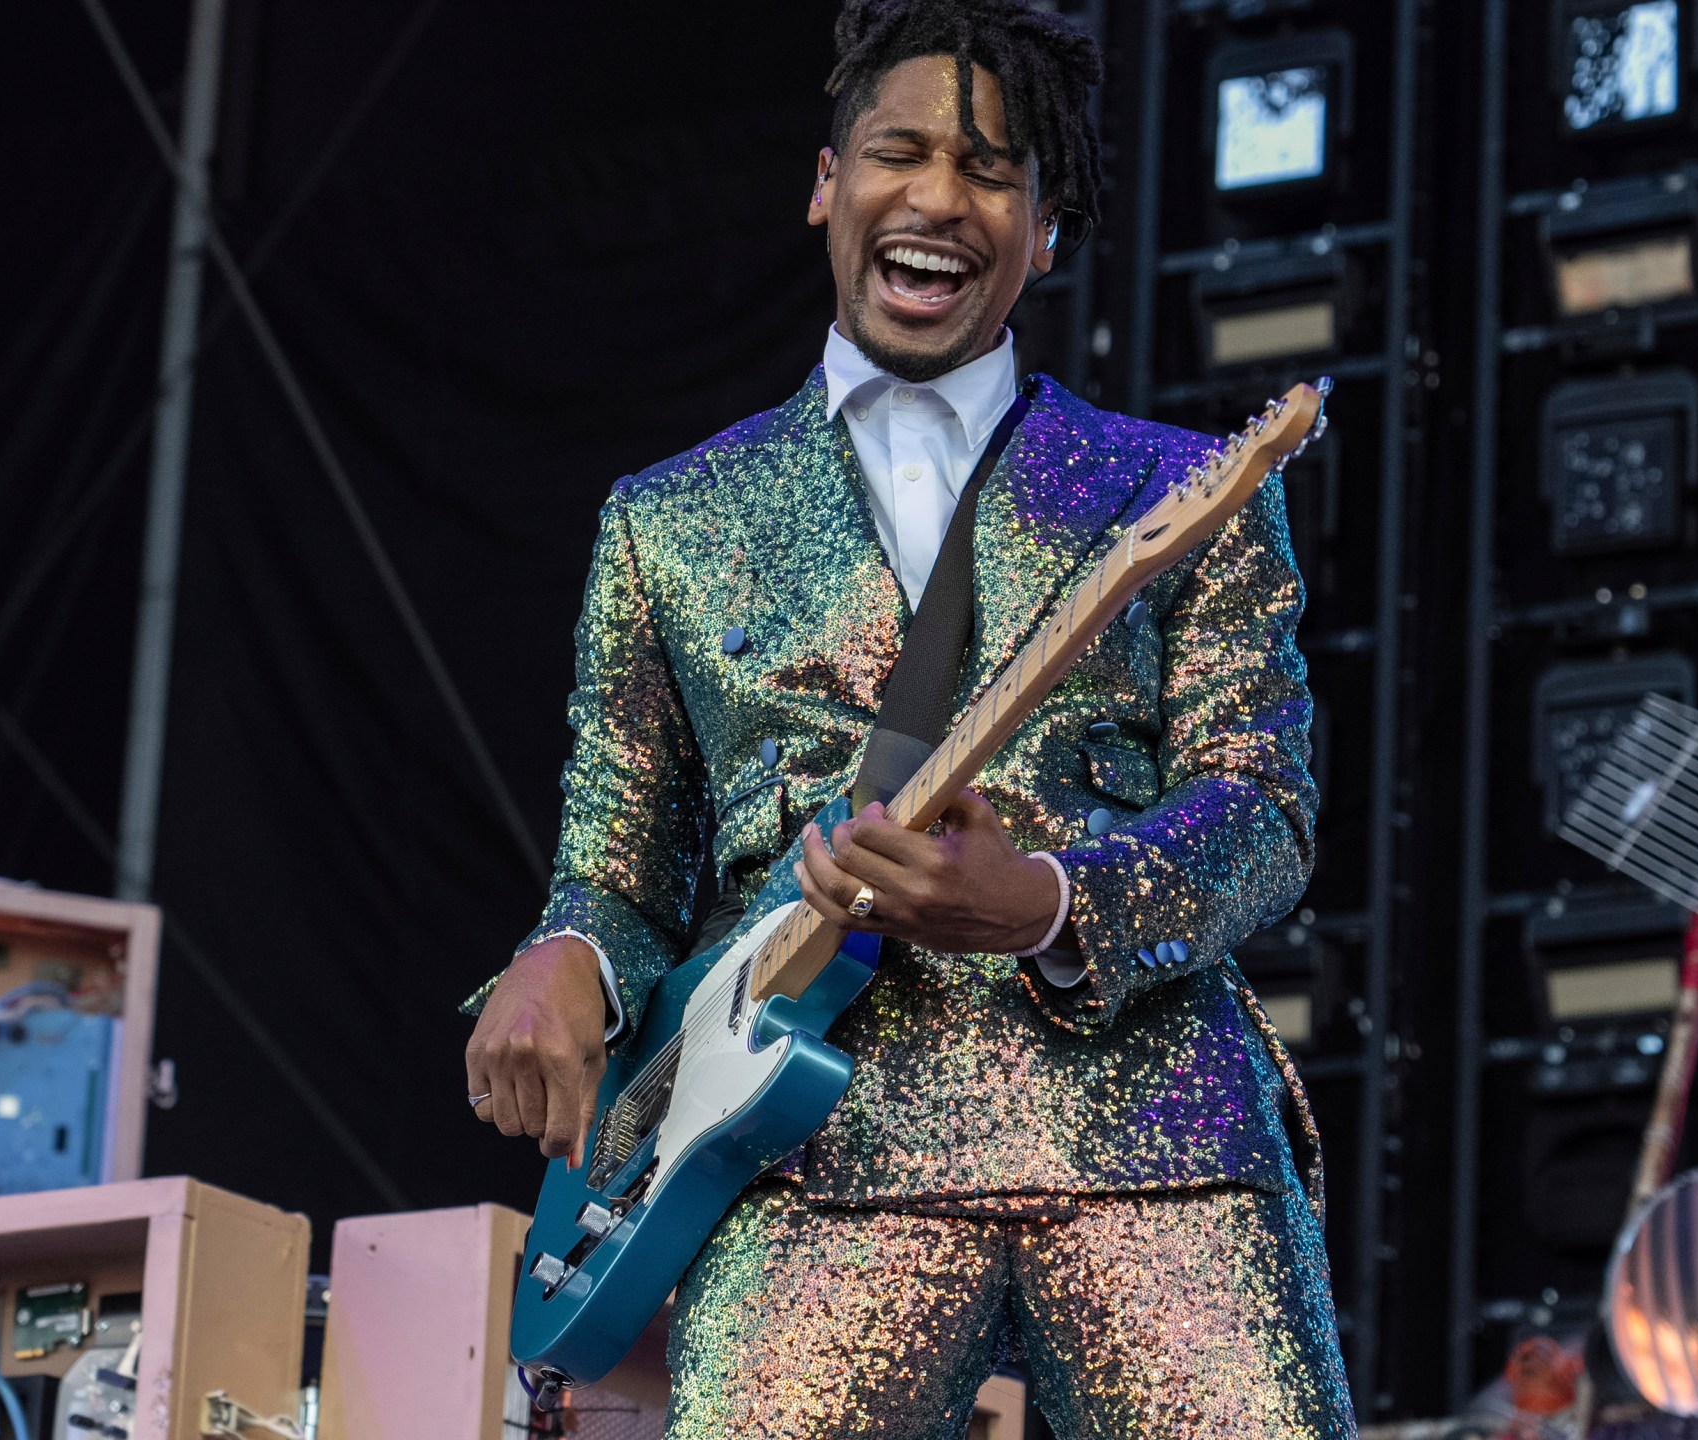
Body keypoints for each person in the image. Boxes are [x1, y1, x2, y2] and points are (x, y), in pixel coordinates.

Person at [462, 2, 1352, 1435]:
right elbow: (618, 865)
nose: (940, 198)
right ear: (829, 181)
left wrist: (1057, 902)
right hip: (803, 1162)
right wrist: (563, 955)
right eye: (903, 152)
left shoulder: (1181, 488)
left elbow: (1266, 806)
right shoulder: (665, 525)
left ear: (1049, 229)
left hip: (1155, 1146)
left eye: (994, 170)